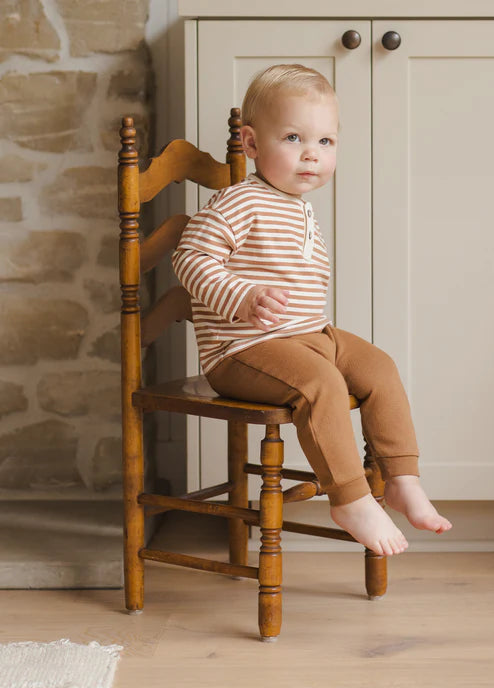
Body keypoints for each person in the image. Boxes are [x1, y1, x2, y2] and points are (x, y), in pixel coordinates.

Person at [172, 64, 452, 556]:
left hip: (306, 335)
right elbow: (189, 258)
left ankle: (401, 475)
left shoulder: (297, 205)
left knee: (378, 367)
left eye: (326, 142)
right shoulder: (239, 202)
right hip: (242, 348)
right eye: (295, 137)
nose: (312, 154)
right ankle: (349, 497)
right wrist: (241, 296)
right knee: (323, 383)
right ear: (253, 145)